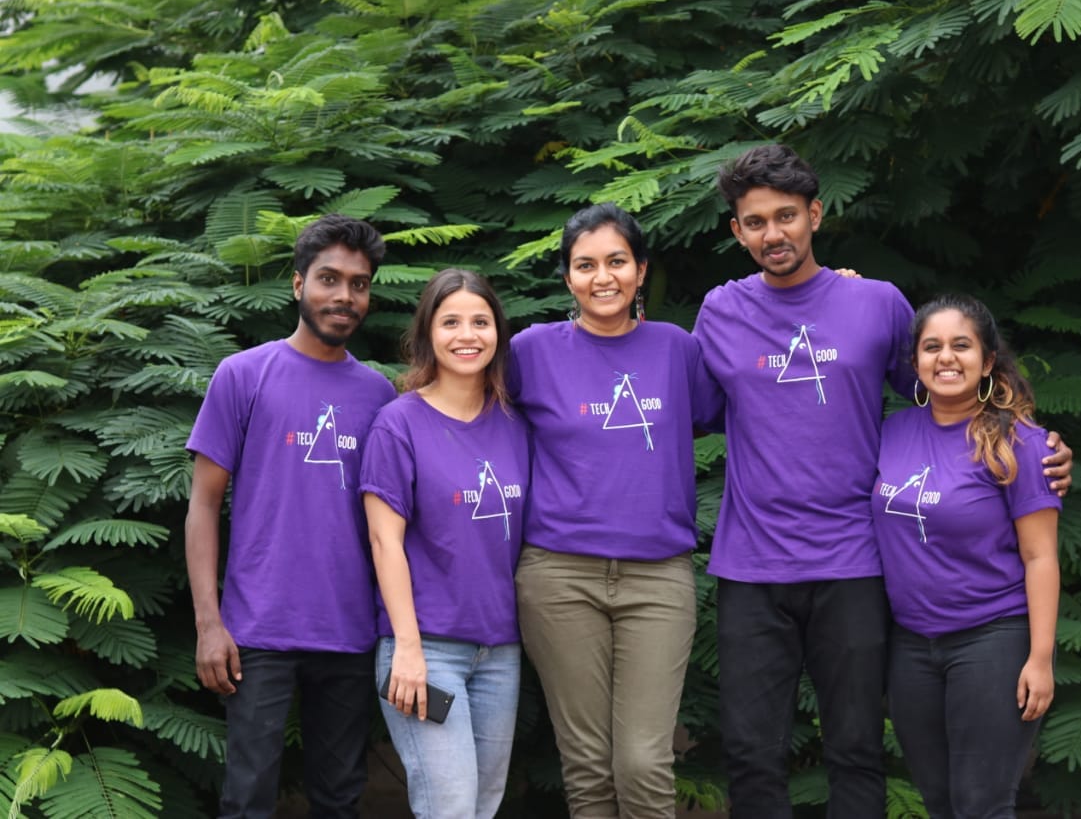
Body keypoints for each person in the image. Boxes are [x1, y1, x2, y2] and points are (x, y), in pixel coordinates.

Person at [692, 144, 1072, 817]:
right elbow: (679, 420)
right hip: (751, 565)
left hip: (854, 564)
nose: (773, 233)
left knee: (857, 747)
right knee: (751, 753)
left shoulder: (876, 303)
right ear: (737, 231)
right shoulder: (719, 312)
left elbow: (948, 385)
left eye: (786, 215)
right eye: (756, 222)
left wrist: (1029, 446)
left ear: (815, 214)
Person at [511, 202, 723, 818]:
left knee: (642, 762)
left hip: (658, 577)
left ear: (639, 270)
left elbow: (752, 406)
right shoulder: (529, 352)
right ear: (567, 277)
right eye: (585, 264)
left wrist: (831, 300)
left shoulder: (677, 350)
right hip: (558, 576)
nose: (602, 277)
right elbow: (464, 407)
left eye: (616, 261)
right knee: (586, 765)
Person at [185, 213, 395, 818]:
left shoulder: (380, 395)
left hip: (352, 632)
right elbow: (202, 505)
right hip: (257, 631)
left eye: (358, 283)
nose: (344, 295)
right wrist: (209, 623)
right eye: (329, 278)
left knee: (339, 800)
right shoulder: (244, 375)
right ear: (298, 284)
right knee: (247, 800)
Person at [874, 294, 1060, 817]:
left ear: (987, 359)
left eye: (961, 345)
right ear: (915, 363)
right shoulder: (891, 431)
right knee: (939, 801)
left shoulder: (1021, 444)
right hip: (910, 646)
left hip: (992, 640)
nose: (946, 358)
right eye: (931, 347)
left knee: (981, 803)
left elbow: (1040, 556)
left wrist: (1040, 660)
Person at [360, 268, 530, 818]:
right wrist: (407, 649)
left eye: (481, 322)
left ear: (498, 333)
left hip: (500, 651)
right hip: (425, 649)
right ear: (427, 333)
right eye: (451, 321)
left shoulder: (515, 424)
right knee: (449, 806)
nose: (467, 335)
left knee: (482, 805)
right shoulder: (397, 425)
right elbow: (385, 544)